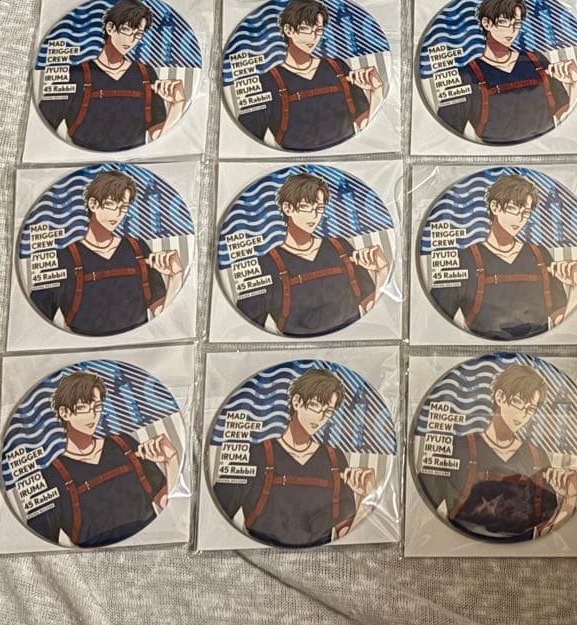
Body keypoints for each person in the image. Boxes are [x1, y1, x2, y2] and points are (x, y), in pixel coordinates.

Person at [212, 368, 377, 547]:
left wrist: (368, 497)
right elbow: (213, 518)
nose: (320, 417)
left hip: (319, 558)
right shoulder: (255, 455)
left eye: (328, 411)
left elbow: (346, 534)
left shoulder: (334, 459)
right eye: (315, 405)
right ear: (297, 402)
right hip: (258, 553)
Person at [418, 365, 577, 541]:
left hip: (523, 554)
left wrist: (570, 500)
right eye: (518, 402)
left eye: (531, 409)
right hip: (457, 547)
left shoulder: (537, 456)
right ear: (500, 397)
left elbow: (546, 535)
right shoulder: (457, 446)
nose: (523, 415)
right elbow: (419, 510)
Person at [27, 372, 179, 547]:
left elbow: (169, 506)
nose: (93, 415)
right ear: (64, 412)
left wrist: (171, 460)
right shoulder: (51, 477)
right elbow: (36, 544)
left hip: (152, 545)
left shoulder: (124, 445)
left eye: (97, 406)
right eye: (83, 407)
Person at [429, 174, 577, 340]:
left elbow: (562, 324)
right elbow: (433, 323)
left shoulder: (540, 255)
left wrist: (576, 287)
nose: (520, 218)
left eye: (526, 212)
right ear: (495, 207)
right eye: (513, 209)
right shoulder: (462, 261)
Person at [30, 170, 183, 336]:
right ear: (93, 204)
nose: (118, 214)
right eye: (111, 204)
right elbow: (33, 323)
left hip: (138, 344)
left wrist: (176, 276)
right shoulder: (63, 259)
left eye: (123, 207)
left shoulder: (138, 249)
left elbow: (163, 316)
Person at [236, 173, 389, 336]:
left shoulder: (340, 248)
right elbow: (242, 329)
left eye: (319, 208)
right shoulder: (266, 266)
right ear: (288, 208)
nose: (314, 215)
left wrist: (382, 271)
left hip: (352, 342)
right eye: (306, 207)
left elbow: (373, 310)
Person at [436, 0, 577, 144]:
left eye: (517, 23)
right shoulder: (467, 76)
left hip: (548, 147)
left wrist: (576, 85)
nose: (512, 30)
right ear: (487, 23)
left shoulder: (536, 61)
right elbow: (444, 135)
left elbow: (566, 120)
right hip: (491, 154)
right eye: (504, 22)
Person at [39, 0, 185, 151]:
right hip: (82, 158)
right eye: (127, 30)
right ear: (110, 28)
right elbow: (40, 130)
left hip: (134, 160)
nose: (131, 39)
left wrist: (177, 104)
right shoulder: (75, 76)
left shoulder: (146, 75)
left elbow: (160, 139)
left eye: (138, 34)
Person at [237, 0, 383, 150]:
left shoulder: (338, 68)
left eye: (318, 30)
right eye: (306, 29)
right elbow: (244, 141)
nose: (314, 37)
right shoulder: (266, 83)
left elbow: (366, 127)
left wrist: (377, 92)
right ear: (288, 30)